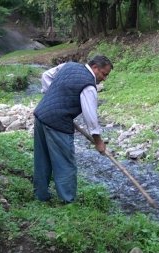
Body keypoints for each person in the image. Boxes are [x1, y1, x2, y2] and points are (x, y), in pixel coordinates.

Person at [33, 55, 112, 203]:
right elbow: (90, 117)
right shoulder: (88, 85)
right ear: (95, 68)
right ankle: (68, 201)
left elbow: (46, 76)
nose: (104, 78)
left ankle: (40, 196)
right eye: (104, 74)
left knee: (42, 160)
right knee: (65, 164)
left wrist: (52, 96)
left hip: (41, 116)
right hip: (58, 124)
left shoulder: (69, 66)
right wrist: (98, 141)